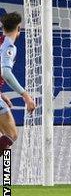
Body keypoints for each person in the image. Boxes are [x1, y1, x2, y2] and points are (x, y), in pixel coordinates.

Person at [0, 12, 37, 150]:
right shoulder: (9, 46)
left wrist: (2, 95)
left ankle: (6, 172)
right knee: (11, 135)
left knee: (5, 138)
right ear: (19, 29)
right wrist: (26, 96)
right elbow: (6, 73)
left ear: (3, 28)